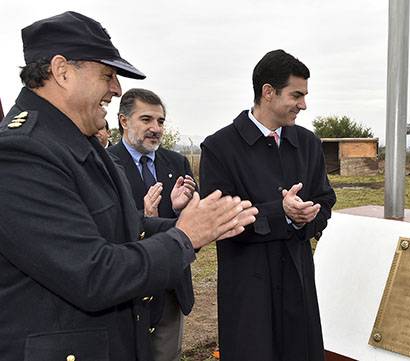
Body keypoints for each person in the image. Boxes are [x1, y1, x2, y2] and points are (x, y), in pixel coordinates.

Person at [0, 11, 257, 361]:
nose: (116, 88)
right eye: (107, 75)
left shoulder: (78, 141)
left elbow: (125, 226)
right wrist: (185, 237)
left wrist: (201, 224)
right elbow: (93, 274)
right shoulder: (20, 153)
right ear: (62, 71)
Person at [200, 49, 336, 361]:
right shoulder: (220, 147)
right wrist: (282, 213)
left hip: (298, 282)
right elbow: (220, 217)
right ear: (268, 92)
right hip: (248, 288)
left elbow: (325, 200)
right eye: (297, 95)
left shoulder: (309, 144)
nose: (304, 104)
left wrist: (306, 218)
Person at [108, 88, 197, 361]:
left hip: (169, 286)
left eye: (160, 121)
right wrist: (144, 216)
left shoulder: (176, 162)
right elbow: (104, 227)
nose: (156, 128)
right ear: (124, 121)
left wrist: (182, 209)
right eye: (146, 120)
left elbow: (193, 228)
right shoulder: (105, 164)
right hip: (125, 292)